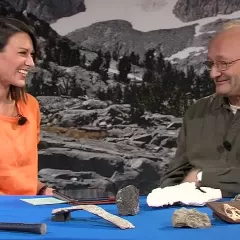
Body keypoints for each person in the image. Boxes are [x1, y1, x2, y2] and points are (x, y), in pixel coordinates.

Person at [159, 20, 240, 197]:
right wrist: (168, 195)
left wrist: (202, 177)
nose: (213, 74)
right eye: (211, 64)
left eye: (223, 63)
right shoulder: (197, 111)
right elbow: (174, 175)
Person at [0, 17, 53, 195]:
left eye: (32, 55)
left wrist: (41, 189)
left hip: (29, 215)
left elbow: (16, 176)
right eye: (23, 53)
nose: (31, 63)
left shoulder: (30, 105)